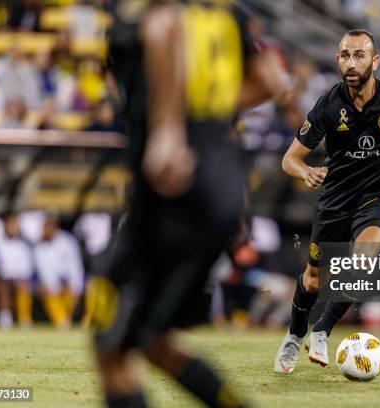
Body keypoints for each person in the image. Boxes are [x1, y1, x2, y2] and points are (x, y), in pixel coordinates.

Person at [92, 1, 285, 407]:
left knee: (111, 339)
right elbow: (271, 79)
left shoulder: (148, 11)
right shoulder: (224, 12)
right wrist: (206, 121)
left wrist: (170, 128)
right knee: (150, 340)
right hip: (219, 185)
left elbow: (165, 30)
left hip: (170, 194)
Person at [274, 29, 380, 373]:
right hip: (335, 201)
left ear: (375, 61)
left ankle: (322, 330)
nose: (351, 63)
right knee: (313, 279)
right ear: (337, 59)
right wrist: (305, 171)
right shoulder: (328, 105)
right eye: (344, 55)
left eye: (359, 55)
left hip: (379, 197)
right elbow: (289, 159)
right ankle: (296, 334)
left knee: (363, 261)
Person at [0, 213, 35, 328]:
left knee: (23, 286)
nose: (12, 228)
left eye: (14, 225)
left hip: (19, 278)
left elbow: (27, 268)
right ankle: (5, 318)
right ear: (5, 226)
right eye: (10, 225)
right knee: (3, 285)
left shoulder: (24, 245)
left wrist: (18, 277)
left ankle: (24, 318)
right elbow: (0, 267)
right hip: (3, 278)